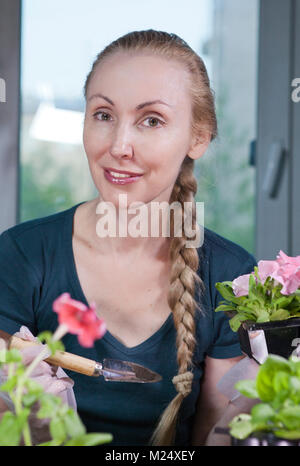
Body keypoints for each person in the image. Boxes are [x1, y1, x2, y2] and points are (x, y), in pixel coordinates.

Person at [0, 29, 257, 446]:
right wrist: (29, 426)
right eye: (103, 115)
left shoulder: (231, 276)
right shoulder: (21, 256)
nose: (119, 145)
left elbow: (218, 435)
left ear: (198, 138)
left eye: (151, 120)